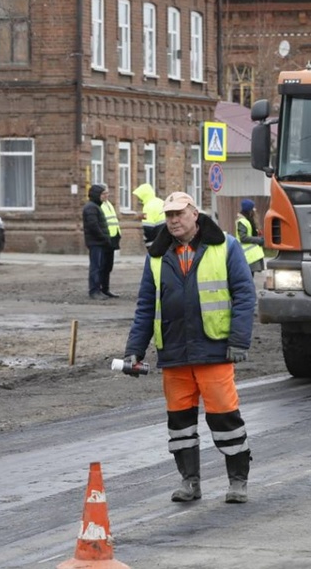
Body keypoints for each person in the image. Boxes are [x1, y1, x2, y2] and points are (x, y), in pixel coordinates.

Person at [122, 191, 257, 504]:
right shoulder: (156, 255)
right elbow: (145, 306)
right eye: (169, 215)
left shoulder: (225, 246)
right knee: (180, 424)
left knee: (225, 420)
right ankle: (189, 482)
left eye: (179, 214)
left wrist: (238, 340)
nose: (173, 220)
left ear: (194, 214)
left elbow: (244, 295)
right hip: (174, 353)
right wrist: (135, 350)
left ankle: (238, 482)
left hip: (214, 351)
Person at [82, 184, 113, 300]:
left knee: (101, 266)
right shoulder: (91, 208)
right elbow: (93, 226)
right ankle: (94, 290)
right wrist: (104, 238)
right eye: (103, 194)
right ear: (96, 195)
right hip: (96, 243)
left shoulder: (96, 206)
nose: (106, 196)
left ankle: (100, 290)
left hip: (99, 242)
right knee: (96, 267)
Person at [99, 186, 122, 298]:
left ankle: (106, 288)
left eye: (107, 193)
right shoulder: (99, 206)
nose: (106, 195)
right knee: (102, 265)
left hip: (112, 238)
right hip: (105, 238)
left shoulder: (109, 205)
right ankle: (100, 288)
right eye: (104, 193)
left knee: (108, 266)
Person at [235, 198, 265, 273]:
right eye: (253, 209)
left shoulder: (248, 220)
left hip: (250, 256)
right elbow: (243, 237)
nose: (254, 211)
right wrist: (258, 240)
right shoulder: (243, 221)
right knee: (248, 279)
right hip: (247, 256)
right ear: (249, 210)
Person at [133, 183, 166, 249]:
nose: (139, 199)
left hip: (156, 240)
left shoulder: (148, 207)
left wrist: (147, 241)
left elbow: (148, 228)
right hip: (167, 236)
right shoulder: (161, 202)